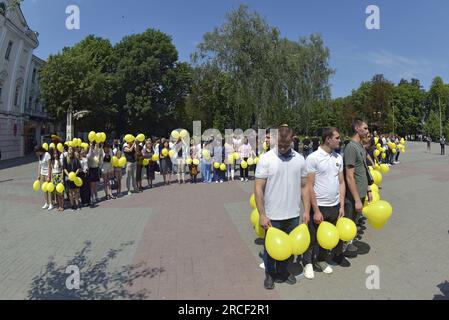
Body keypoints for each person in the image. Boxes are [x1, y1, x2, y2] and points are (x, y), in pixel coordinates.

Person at [255, 126, 310, 290]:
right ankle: (270, 274)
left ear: (293, 140)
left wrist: (306, 210)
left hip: (293, 214)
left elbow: (304, 187)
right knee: (270, 249)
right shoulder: (266, 159)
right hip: (272, 215)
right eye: (280, 145)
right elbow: (258, 188)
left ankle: (284, 272)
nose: (283, 148)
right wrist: (262, 214)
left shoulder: (300, 159)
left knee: (290, 247)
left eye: (286, 145)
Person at [303, 128, 345, 279]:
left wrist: (341, 205)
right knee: (312, 237)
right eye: (337, 138)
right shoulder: (313, 157)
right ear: (328, 139)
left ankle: (321, 260)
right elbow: (309, 185)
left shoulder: (338, 157)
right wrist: (316, 210)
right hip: (319, 206)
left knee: (326, 237)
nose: (340, 140)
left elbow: (341, 182)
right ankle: (307, 262)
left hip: (334, 206)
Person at [338, 119, 373, 262]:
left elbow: (363, 169)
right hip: (353, 195)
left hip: (361, 192)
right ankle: (340, 250)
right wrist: (357, 199)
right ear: (357, 129)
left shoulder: (359, 146)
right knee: (348, 220)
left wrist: (369, 188)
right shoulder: (351, 147)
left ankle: (348, 243)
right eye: (365, 128)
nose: (367, 131)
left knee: (355, 220)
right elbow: (350, 176)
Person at [63, 146, 82, 211]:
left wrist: (75, 174)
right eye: (69, 149)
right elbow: (64, 168)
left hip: (75, 177)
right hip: (68, 178)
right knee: (70, 192)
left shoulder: (76, 158)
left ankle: (77, 204)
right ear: (67, 150)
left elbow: (79, 168)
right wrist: (68, 175)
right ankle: (72, 205)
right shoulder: (65, 158)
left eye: (71, 149)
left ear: (73, 150)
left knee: (76, 192)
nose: (70, 150)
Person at [35, 145, 52, 210]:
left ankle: (51, 203)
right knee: (44, 189)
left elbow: (49, 166)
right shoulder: (40, 156)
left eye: (37, 151)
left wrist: (49, 176)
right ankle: (46, 203)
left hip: (47, 173)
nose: (37, 153)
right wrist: (38, 175)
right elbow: (39, 166)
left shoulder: (47, 154)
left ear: (40, 150)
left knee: (49, 189)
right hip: (42, 173)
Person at [50, 148, 65, 212]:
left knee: (61, 192)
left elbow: (62, 170)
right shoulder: (52, 161)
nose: (55, 155)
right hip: (54, 177)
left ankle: (62, 206)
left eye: (56, 153)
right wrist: (51, 179)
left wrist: (62, 178)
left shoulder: (60, 160)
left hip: (59, 176)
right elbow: (51, 171)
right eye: (54, 154)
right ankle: (59, 205)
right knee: (56, 192)